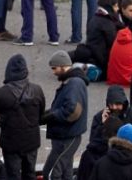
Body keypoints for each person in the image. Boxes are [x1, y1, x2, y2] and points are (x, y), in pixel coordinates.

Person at [0, 54, 44, 179]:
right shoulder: (37, 90)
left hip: (11, 142)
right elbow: (40, 114)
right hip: (31, 140)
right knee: (30, 173)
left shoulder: (1, 93)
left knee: (13, 174)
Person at [45, 52, 89, 180]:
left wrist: (51, 116)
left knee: (52, 172)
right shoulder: (73, 82)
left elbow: (72, 110)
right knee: (66, 171)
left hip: (67, 136)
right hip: (67, 135)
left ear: (63, 66)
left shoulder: (74, 83)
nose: (53, 72)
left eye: (54, 68)